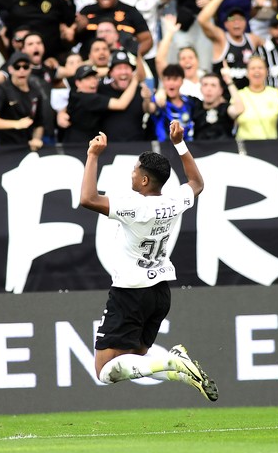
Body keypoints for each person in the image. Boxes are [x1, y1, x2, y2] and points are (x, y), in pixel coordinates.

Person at [79, 121, 218, 402]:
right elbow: (197, 183)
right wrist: (179, 143)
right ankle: (178, 370)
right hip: (160, 292)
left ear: (144, 180)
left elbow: (87, 199)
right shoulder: (175, 200)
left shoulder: (135, 206)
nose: (132, 173)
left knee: (104, 370)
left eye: (135, 170)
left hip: (130, 292)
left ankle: (173, 361)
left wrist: (93, 155)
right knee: (138, 360)